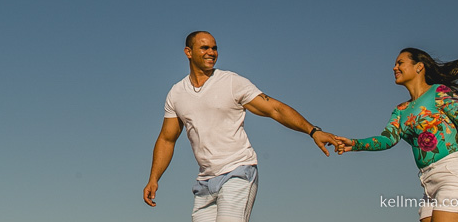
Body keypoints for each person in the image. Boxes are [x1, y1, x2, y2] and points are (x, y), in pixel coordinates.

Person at [143, 31, 339, 222]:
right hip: (204, 183)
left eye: (214, 48)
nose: (211, 52)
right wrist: (154, 178)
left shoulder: (231, 82)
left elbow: (274, 109)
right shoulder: (177, 93)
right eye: (204, 48)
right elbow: (167, 139)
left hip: (237, 172)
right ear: (188, 52)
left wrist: (313, 131)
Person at [336, 47, 458, 222]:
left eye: (400, 63)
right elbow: (387, 139)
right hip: (429, 184)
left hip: (455, 175)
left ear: (419, 67)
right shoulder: (400, 110)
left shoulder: (440, 92)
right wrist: (355, 144)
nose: (394, 68)